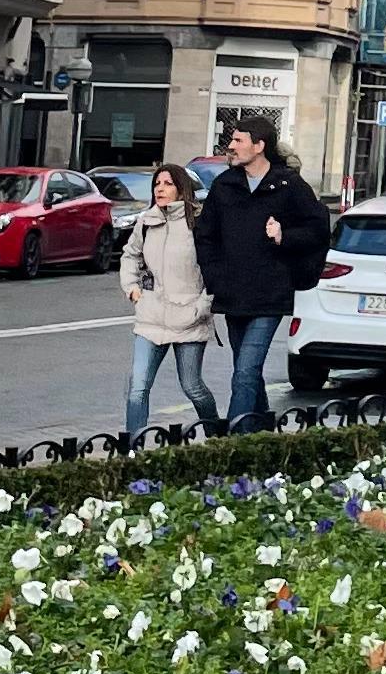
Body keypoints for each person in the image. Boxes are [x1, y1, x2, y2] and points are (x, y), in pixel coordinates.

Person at [193, 111, 331, 429]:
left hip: (270, 296)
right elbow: (205, 236)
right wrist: (215, 277)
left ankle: (236, 446)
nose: (231, 146)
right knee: (248, 372)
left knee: (244, 373)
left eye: (238, 140)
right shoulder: (225, 185)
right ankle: (264, 434)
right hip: (232, 294)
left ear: (259, 145)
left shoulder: (288, 185)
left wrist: (285, 236)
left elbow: (318, 230)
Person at [118, 161, 222, 443]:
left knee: (192, 386)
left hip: (190, 317)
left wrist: (203, 306)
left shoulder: (198, 223)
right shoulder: (147, 221)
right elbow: (130, 256)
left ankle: (217, 439)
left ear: (181, 189)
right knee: (138, 387)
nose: (160, 189)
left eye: (167, 184)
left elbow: (216, 268)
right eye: (157, 184)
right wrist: (132, 288)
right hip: (151, 316)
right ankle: (133, 449)